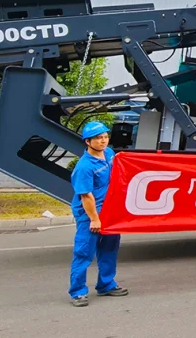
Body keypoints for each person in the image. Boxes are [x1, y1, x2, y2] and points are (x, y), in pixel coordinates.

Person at [68, 121, 128, 307]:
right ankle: (78, 292)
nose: (103, 141)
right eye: (98, 138)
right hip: (90, 215)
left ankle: (106, 284)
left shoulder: (109, 153)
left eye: (105, 137)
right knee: (84, 253)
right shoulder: (84, 167)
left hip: (110, 211)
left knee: (109, 249)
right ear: (88, 141)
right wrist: (94, 219)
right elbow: (86, 196)